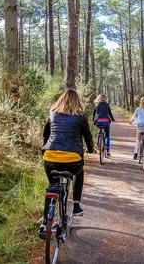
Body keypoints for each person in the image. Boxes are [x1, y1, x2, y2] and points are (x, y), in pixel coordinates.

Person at [40, 88, 94, 237]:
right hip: (72, 161)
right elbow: (88, 137)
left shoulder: (52, 114)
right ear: (77, 102)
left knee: (52, 187)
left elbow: (46, 135)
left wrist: (45, 149)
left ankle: (45, 222)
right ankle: (76, 204)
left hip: (50, 158)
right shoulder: (80, 116)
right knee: (80, 172)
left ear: (61, 100)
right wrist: (91, 149)